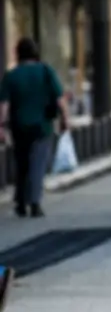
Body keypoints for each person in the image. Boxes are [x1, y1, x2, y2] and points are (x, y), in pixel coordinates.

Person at [0, 37, 70, 218]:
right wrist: (65, 119)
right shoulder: (46, 71)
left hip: (19, 126)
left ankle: (20, 202)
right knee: (37, 163)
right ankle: (34, 202)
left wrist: (1, 126)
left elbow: (4, 105)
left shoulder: (11, 76)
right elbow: (59, 99)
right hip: (42, 126)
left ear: (18, 54)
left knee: (22, 163)